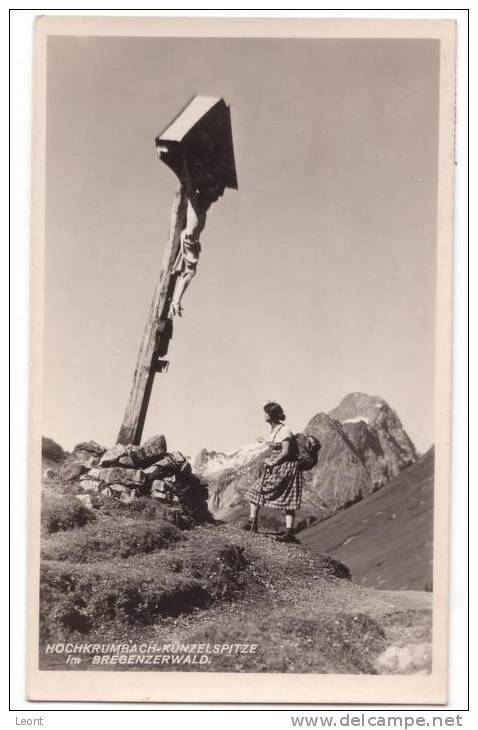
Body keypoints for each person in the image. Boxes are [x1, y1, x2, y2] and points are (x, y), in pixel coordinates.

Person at [169, 131, 225, 317]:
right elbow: (187, 180)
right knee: (189, 273)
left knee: (189, 273)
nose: (213, 199)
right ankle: (175, 300)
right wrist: (183, 157)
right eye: (212, 196)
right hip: (189, 240)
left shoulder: (203, 210)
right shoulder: (195, 202)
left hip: (193, 243)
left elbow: (213, 191)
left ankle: (176, 301)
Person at [243, 401, 303, 542]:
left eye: (266, 412)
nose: (264, 415)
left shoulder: (284, 430)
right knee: (256, 490)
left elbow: (286, 451)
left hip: (287, 468)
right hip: (277, 468)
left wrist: (273, 462)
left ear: (272, 415)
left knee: (289, 500)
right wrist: (264, 442)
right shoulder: (274, 430)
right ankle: (253, 522)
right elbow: (276, 446)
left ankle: (289, 532)